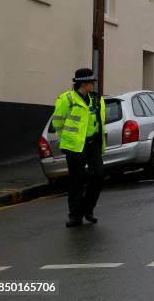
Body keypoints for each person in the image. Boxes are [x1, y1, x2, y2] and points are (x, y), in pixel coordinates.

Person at [51, 68, 106, 227]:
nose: (93, 85)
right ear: (83, 83)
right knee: (77, 181)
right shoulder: (67, 99)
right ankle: (75, 216)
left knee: (98, 175)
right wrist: (66, 139)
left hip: (93, 144)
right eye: (91, 82)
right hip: (74, 146)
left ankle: (87, 209)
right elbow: (57, 122)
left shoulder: (97, 99)